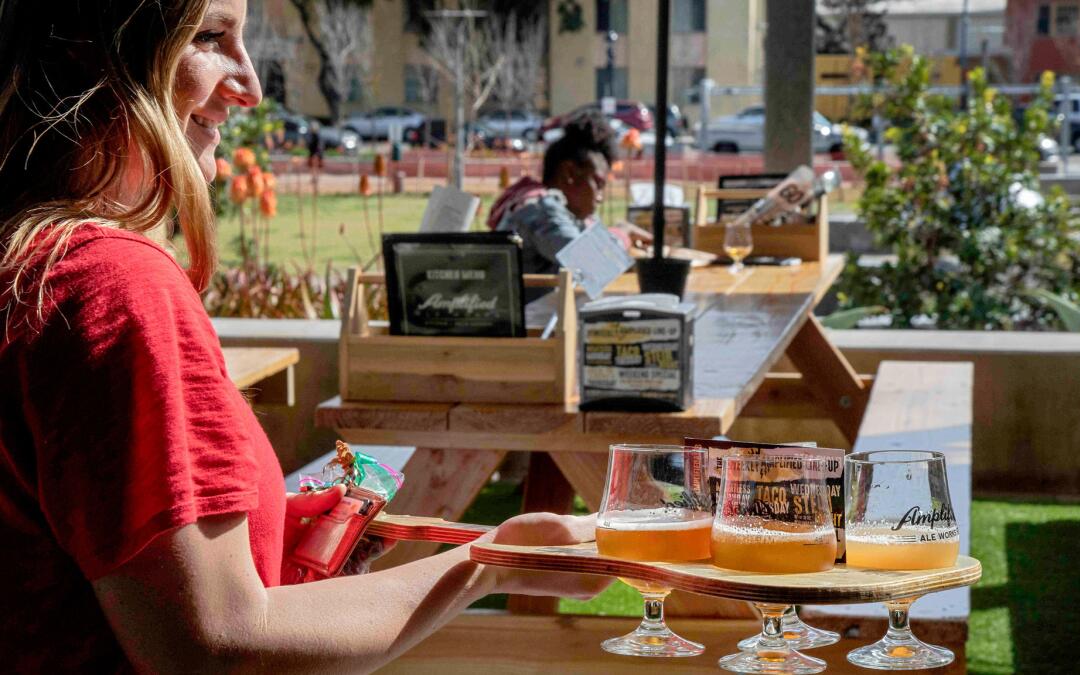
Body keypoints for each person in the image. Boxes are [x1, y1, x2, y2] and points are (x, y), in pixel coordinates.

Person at [0, 1, 606, 671]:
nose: (252, 86)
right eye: (211, 37)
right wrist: (491, 563)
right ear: (100, 51)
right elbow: (220, 645)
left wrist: (261, 535)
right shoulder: (113, 287)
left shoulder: (31, 263)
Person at [489, 112, 650, 273]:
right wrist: (623, 234)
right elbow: (596, 265)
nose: (600, 198)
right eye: (598, 184)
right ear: (570, 174)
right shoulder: (540, 210)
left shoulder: (565, 212)